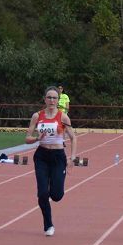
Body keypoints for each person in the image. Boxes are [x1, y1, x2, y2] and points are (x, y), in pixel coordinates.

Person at [25, 86, 77, 236]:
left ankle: (56, 186)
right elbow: (27, 138)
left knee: (56, 195)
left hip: (58, 156)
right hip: (41, 156)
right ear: (45, 99)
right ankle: (48, 225)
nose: (52, 100)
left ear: (58, 100)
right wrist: (36, 138)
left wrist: (72, 158)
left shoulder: (63, 117)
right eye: (49, 97)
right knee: (42, 193)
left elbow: (73, 138)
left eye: (55, 98)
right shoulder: (37, 116)